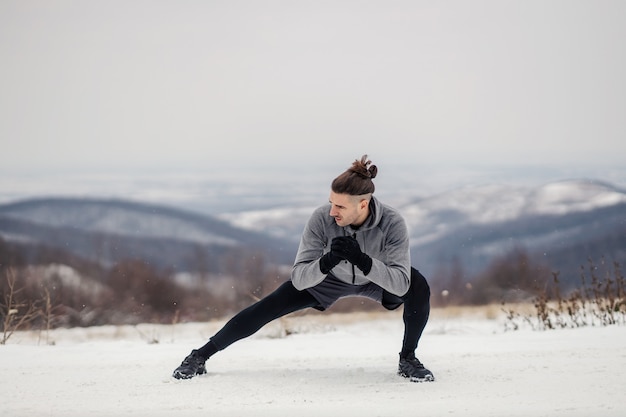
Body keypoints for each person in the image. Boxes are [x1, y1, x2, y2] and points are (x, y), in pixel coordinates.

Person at [172, 155, 434, 382]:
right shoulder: (322, 218)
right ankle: (200, 356)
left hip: (377, 279)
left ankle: (408, 359)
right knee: (269, 305)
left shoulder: (392, 223)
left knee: (418, 284)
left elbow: (401, 284)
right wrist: (327, 261)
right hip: (329, 278)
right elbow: (299, 278)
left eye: (340, 206)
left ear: (363, 204)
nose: (332, 211)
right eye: (331, 202)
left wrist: (364, 261)